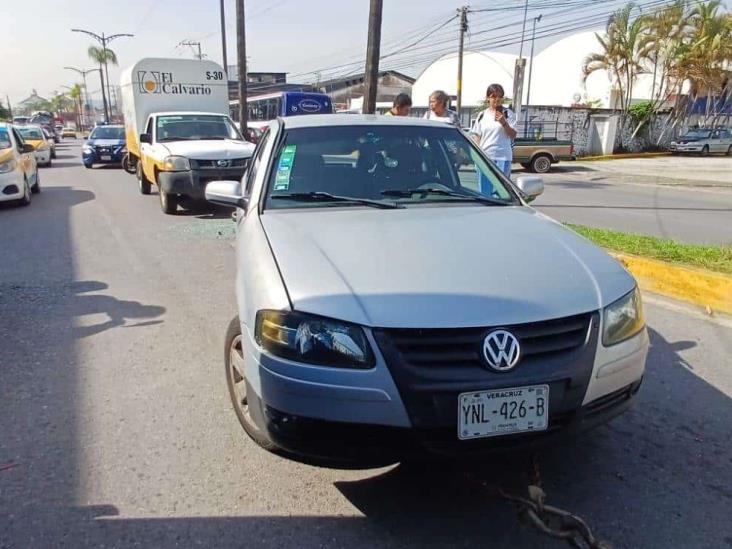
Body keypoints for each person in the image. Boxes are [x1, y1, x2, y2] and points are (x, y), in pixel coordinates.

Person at [469, 83, 517, 180]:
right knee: (485, 191)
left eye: (500, 96)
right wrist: (477, 157)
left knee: (501, 192)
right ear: (488, 98)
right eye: (493, 96)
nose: (497, 99)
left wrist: (504, 123)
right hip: (485, 158)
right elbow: (477, 137)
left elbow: (513, 135)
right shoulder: (482, 115)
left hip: (503, 158)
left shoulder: (508, 114)